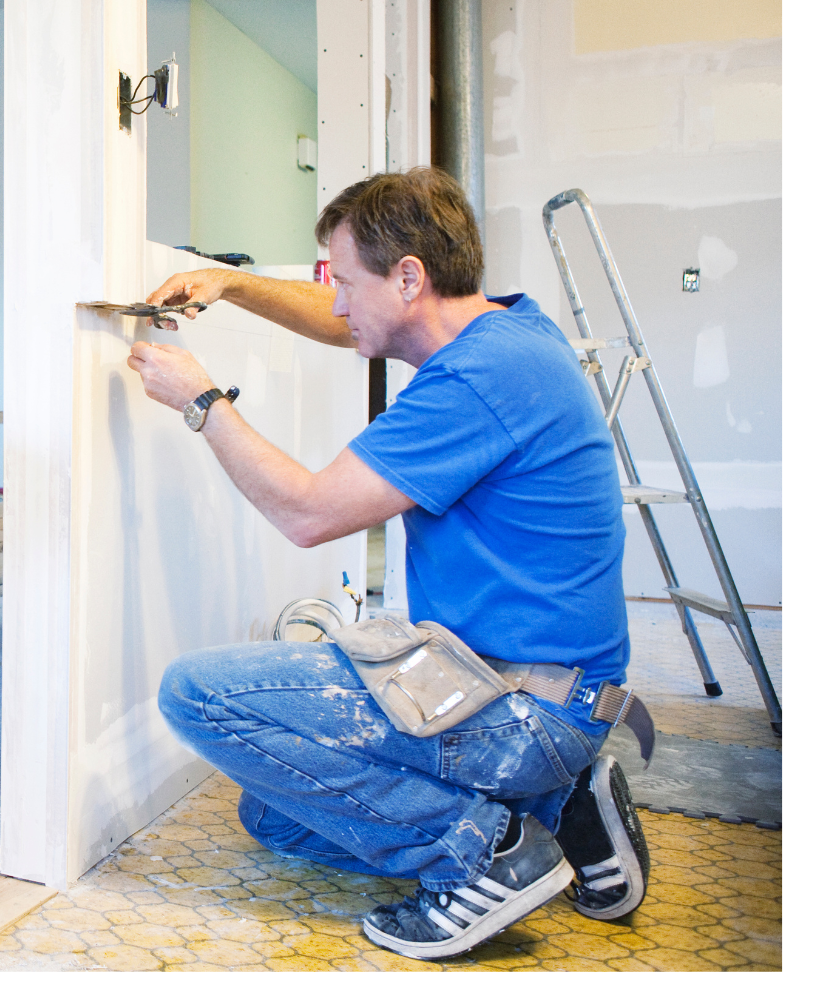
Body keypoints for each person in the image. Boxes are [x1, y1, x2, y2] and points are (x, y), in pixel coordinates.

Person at [127, 168, 649, 961]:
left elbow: (307, 514)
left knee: (196, 694)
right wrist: (231, 283)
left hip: (520, 705)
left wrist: (202, 401)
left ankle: (490, 852)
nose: (337, 304)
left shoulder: (477, 379)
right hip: (527, 684)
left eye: (344, 282)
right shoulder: (505, 333)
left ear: (409, 277)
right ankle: (557, 810)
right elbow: (354, 325)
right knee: (274, 817)